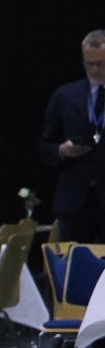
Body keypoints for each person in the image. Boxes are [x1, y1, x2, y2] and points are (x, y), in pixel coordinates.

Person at [39, 30, 105, 243]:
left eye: (101, 63)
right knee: (74, 260)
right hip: (74, 203)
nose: (95, 70)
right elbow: (45, 146)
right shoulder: (65, 95)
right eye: (89, 64)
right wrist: (62, 151)